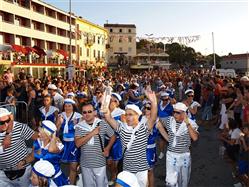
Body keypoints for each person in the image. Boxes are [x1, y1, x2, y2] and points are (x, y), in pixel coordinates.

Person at [104, 87, 158, 187]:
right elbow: (108, 117)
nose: (128, 117)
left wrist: (153, 102)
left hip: (141, 169)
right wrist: (106, 100)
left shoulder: (144, 128)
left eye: (131, 114)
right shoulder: (122, 128)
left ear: (138, 115)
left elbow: (153, 117)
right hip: (127, 169)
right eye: (126, 115)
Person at [75, 101, 116, 187]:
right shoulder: (79, 126)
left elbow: (113, 136)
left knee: (101, 185)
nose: (87, 114)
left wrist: (108, 148)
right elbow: (78, 144)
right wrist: (92, 133)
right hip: (85, 163)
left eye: (89, 111)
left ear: (94, 112)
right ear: (82, 114)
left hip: (99, 163)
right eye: (84, 112)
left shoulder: (102, 123)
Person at [18, 120, 69, 186]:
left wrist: (53, 136)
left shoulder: (58, 144)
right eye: (39, 132)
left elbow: (51, 149)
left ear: (48, 134)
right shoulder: (37, 142)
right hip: (39, 179)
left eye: (41, 133)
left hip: (55, 179)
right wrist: (24, 161)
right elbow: (32, 156)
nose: (38, 134)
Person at [163, 102, 198, 187]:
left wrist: (187, 123)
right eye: (174, 112)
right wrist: (167, 138)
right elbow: (157, 121)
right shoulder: (169, 120)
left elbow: (195, 138)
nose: (175, 114)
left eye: (177, 112)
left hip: (184, 156)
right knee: (171, 182)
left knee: (183, 180)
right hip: (171, 156)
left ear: (184, 113)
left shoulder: (191, 123)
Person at [0, 108, 37, 187]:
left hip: (23, 172)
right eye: (2, 122)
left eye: (8, 121)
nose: (6, 125)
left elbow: (37, 138)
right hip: (2, 175)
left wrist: (32, 155)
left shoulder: (19, 127)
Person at [142, 100, 169, 187]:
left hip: (149, 151)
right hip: (138, 149)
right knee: (142, 173)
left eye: (149, 108)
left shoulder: (157, 122)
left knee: (148, 172)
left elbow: (166, 136)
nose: (146, 110)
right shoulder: (139, 118)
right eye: (145, 108)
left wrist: (178, 142)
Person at [56, 99, 82, 185]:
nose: (67, 108)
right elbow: (55, 131)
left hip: (74, 144)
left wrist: (76, 126)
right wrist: (59, 123)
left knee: (73, 167)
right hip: (63, 143)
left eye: (69, 106)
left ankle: (72, 184)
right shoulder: (60, 115)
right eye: (65, 106)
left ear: (73, 107)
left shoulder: (78, 116)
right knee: (59, 165)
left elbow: (82, 131)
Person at [107, 93, 125, 185]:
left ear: (117, 103)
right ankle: (114, 174)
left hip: (117, 141)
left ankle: (115, 177)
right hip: (106, 140)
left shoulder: (121, 113)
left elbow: (125, 127)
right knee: (109, 162)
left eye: (114, 101)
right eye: (110, 100)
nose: (111, 102)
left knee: (115, 162)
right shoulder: (104, 111)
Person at [157, 92, 173, 160]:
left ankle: (172, 152)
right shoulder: (159, 104)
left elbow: (174, 101)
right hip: (161, 125)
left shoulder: (171, 104)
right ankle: (161, 152)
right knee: (161, 140)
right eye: (163, 100)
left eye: (166, 100)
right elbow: (155, 97)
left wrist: (168, 97)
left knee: (171, 139)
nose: (165, 101)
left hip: (169, 124)